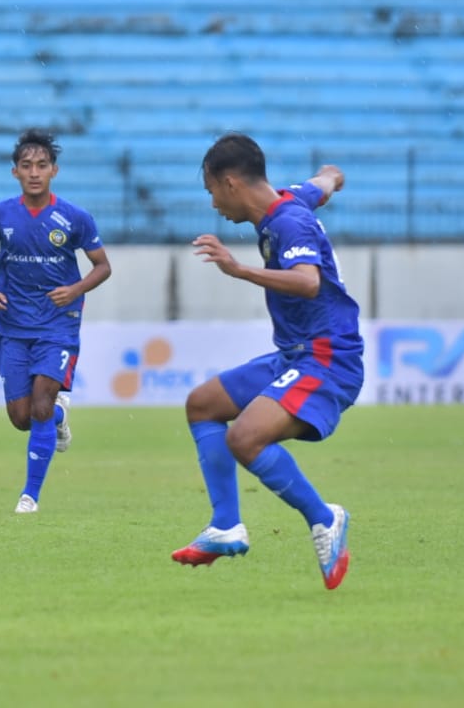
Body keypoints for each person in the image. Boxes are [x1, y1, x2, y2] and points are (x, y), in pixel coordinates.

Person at [172, 132, 362, 590]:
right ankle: (226, 526)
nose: (213, 203)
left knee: (245, 438)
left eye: (212, 190)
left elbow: (308, 282)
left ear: (231, 182)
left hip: (328, 358)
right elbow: (326, 180)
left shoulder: (289, 223)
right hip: (295, 354)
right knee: (203, 404)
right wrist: (333, 176)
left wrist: (238, 269)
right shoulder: (289, 200)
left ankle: (323, 518)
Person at [0, 129, 111, 514]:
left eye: (42, 165)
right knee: (22, 417)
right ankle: (60, 417)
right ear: (15, 171)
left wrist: (75, 289)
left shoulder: (74, 217)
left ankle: (29, 496)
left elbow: (103, 267)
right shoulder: (0, 214)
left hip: (58, 324)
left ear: (55, 170)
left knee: (40, 404)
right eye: (26, 166)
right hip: (12, 325)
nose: (34, 172)